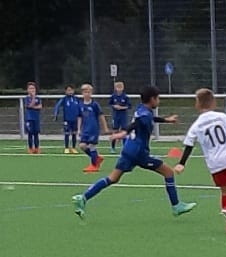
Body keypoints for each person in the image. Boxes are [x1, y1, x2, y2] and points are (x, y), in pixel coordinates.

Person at [73, 86, 196, 220]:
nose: (159, 101)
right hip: (139, 153)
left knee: (112, 178)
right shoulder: (144, 115)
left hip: (128, 150)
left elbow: (149, 119)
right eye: (158, 98)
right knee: (168, 172)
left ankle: (83, 198)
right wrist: (123, 132)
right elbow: (136, 124)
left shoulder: (142, 109)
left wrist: (167, 120)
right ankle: (176, 206)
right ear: (152, 99)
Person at [176, 88, 226, 234]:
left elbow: (189, 144)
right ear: (213, 102)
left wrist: (181, 163)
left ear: (197, 105)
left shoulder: (196, 125)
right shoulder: (222, 117)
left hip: (215, 164)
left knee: (225, 190)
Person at [76, 83, 109, 174]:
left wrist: (105, 127)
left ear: (91, 93)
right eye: (85, 92)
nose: (87, 94)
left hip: (93, 129)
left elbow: (101, 116)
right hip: (85, 129)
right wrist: (79, 129)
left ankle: (94, 165)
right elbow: (79, 117)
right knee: (82, 146)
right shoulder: (80, 105)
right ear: (82, 93)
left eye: (89, 92)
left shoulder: (94, 104)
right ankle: (96, 158)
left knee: (91, 146)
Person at [55, 85, 80, 154]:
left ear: (73, 91)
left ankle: (73, 148)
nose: (70, 92)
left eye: (71, 90)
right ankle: (66, 148)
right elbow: (57, 106)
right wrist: (56, 114)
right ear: (65, 91)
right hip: (67, 120)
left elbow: (80, 107)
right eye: (68, 90)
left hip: (75, 120)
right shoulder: (64, 99)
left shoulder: (76, 99)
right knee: (67, 133)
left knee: (74, 134)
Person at [22, 82, 43, 153]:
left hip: (36, 118)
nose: (32, 90)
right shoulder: (27, 98)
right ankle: (30, 148)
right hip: (29, 118)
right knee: (30, 133)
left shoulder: (38, 98)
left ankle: (36, 148)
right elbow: (29, 105)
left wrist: (34, 107)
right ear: (27, 90)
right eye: (30, 88)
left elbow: (40, 106)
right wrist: (33, 98)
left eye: (33, 88)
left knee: (36, 133)